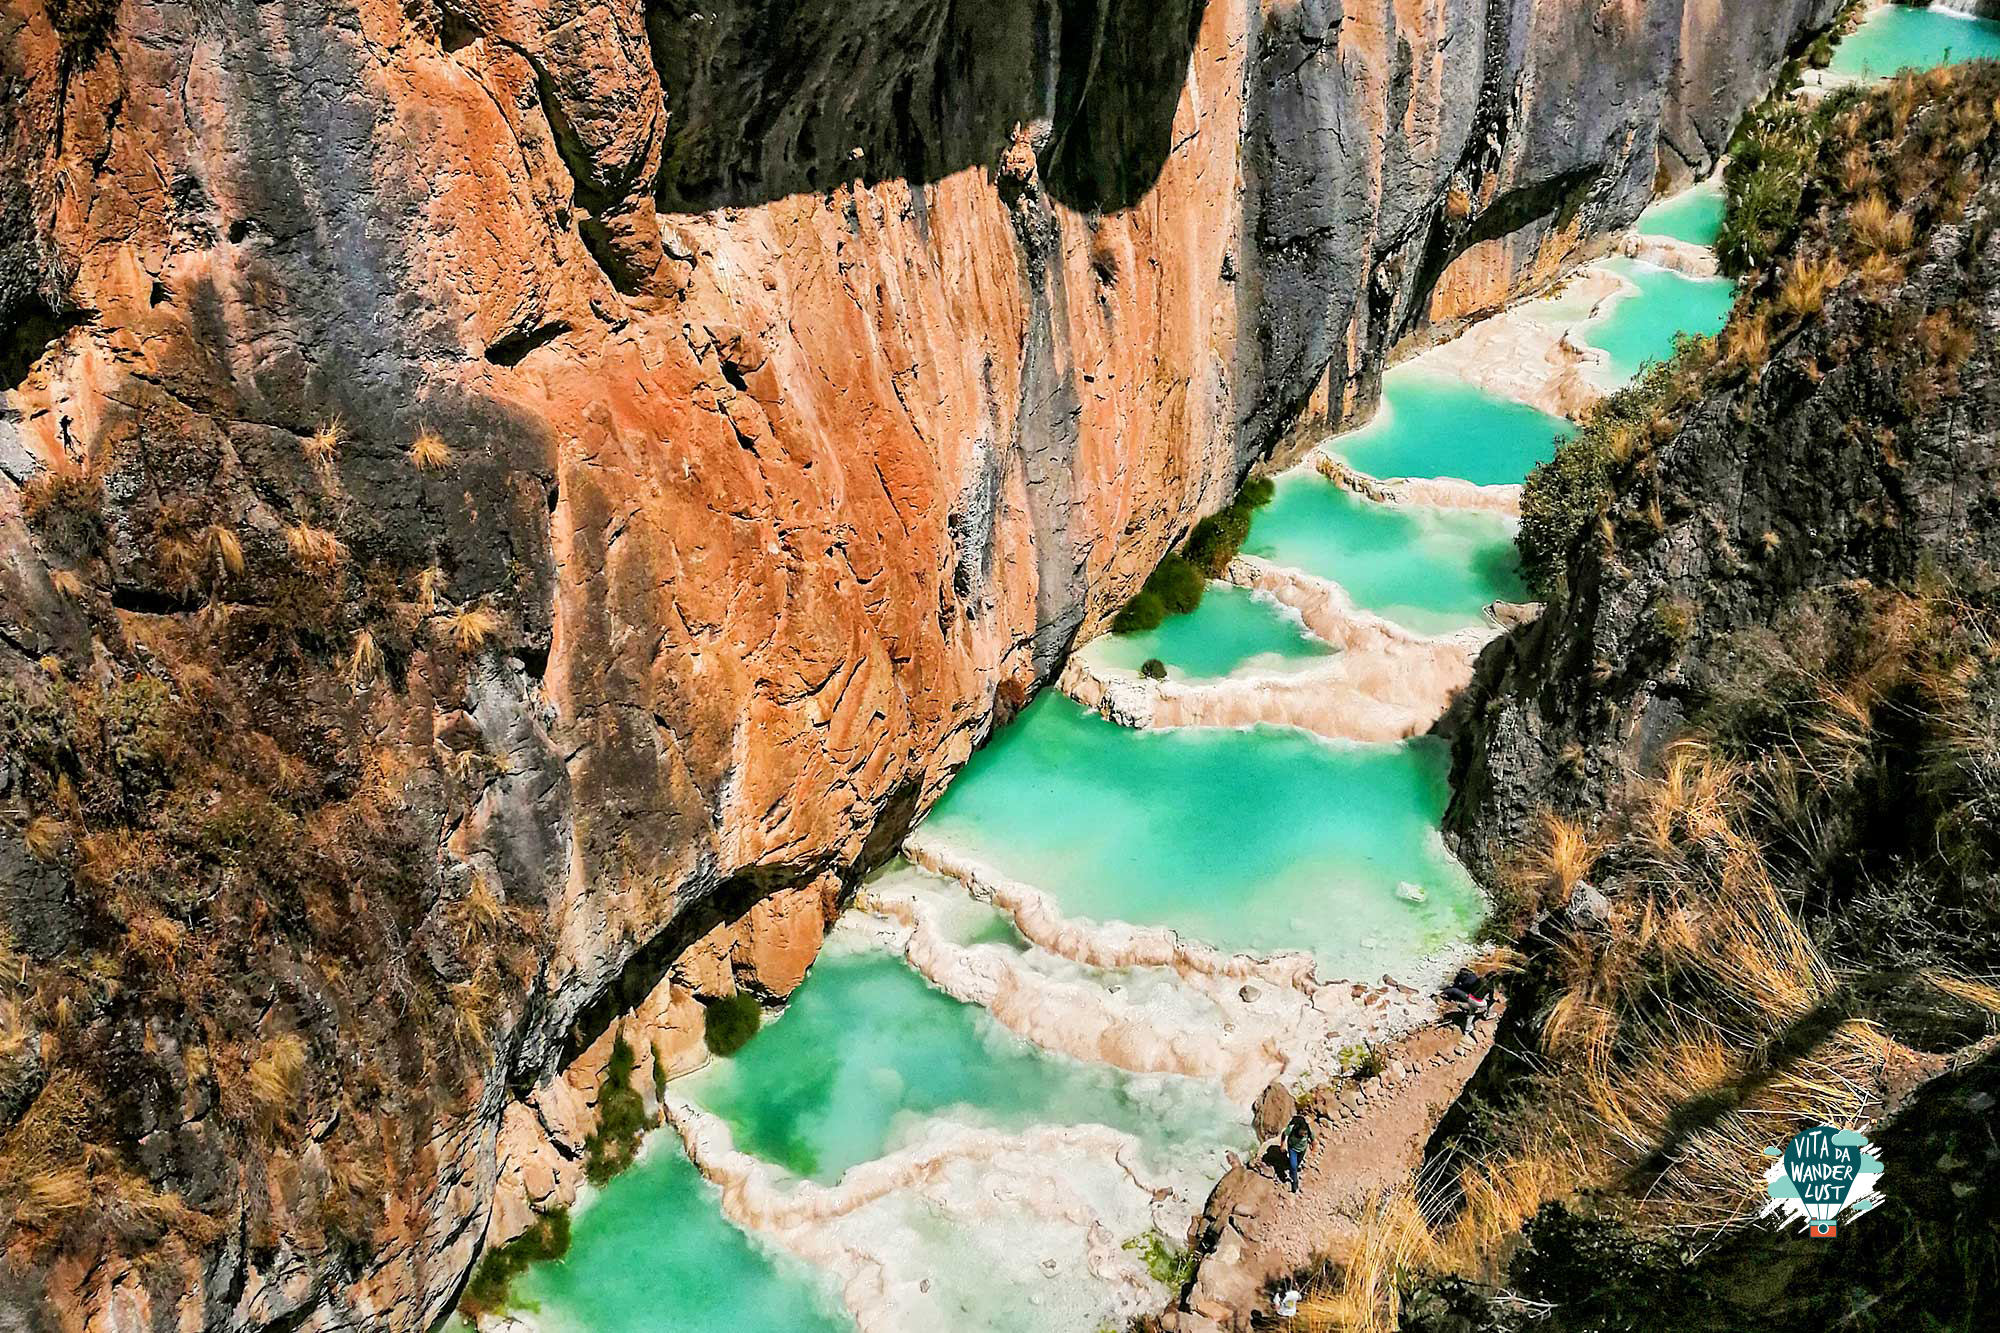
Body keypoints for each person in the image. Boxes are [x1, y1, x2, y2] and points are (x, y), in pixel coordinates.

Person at [1440, 967, 1497, 1035]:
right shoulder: (1490, 986)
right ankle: (1488, 1015)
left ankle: (1467, 1030)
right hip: (1479, 1003)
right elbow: (1491, 997)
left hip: (1470, 999)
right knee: (1491, 1001)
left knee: (1471, 1014)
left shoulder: (1480, 979)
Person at [1281, 1113, 1314, 1193]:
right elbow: (1284, 1134)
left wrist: (1313, 1150)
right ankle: (1295, 1182)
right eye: (1302, 1133)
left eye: (1305, 1134)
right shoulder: (1291, 1128)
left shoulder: (1308, 1130)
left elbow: (1313, 1140)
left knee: (1298, 1162)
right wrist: (1282, 1144)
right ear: (1297, 1129)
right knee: (1294, 1165)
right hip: (1293, 1148)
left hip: (1302, 1149)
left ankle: (1293, 1169)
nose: (1303, 1135)